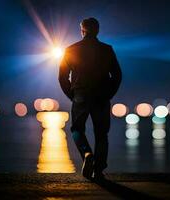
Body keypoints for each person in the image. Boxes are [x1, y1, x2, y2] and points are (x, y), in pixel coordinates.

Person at [58, 17, 122, 180]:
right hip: (101, 96)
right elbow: (117, 75)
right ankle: (99, 170)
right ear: (97, 31)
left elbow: (62, 77)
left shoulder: (70, 49)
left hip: (80, 95)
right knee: (101, 134)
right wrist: (109, 94)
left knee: (77, 129)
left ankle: (86, 153)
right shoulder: (107, 49)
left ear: (82, 31)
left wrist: (72, 94)